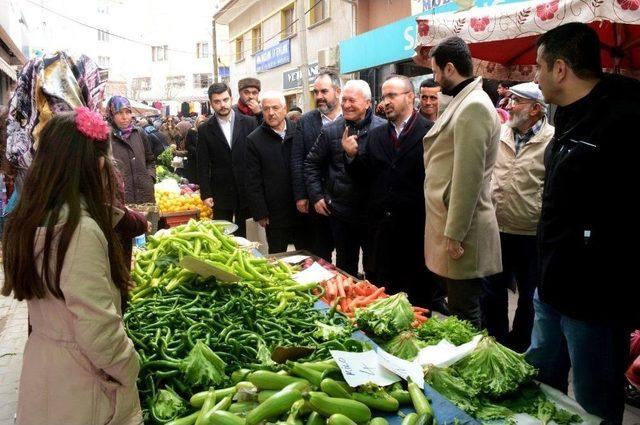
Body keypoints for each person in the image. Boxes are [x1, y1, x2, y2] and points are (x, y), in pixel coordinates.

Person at [525, 22, 640, 422]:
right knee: (540, 379)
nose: (533, 77)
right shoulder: (566, 117)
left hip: (596, 297)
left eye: (538, 66)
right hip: (552, 284)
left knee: (594, 396)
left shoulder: (625, 118)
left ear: (560, 69)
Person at [1, 109, 142, 425]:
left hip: (43, 364)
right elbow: (97, 328)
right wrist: (129, 366)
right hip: (83, 380)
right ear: (91, 164)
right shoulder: (79, 229)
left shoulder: (27, 218)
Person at [423, 37, 502, 329]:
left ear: (450, 68)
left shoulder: (474, 107)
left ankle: (469, 370)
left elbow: (468, 177)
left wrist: (454, 234)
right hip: (454, 226)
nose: (435, 79)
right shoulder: (464, 101)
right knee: (460, 308)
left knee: (464, 314)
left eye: (435, 71)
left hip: (463, 232)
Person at [343, 75, 435, 307]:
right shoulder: (375, 136)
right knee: (382, 304)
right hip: (381, 239)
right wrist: (352, 156)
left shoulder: (431, 133)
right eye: (383, 97)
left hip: (416, 236)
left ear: (410, 97)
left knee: (417, 308)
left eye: (392, 95)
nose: (385, 102)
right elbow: (364, 180)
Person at [482, 82, 554, 352]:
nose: (509, 106)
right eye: (510, 100)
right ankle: (496, 341)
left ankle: (520, 344)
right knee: (492, 291)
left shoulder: (551, 140)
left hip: (531, 233)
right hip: (496, 228)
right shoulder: (500, 133)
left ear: (536, 109)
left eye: (517, 101)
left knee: (528, 295)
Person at [305, 80, 386, 277]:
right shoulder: (332, 130)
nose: (347, 105)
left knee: (375, 267)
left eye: (352, 100)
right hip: (342, 212)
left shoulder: (383, 129)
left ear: (368, 103)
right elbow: (311, 164)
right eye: (344, 100)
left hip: (373, 213)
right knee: (344, 267)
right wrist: (316, 196)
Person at [291, 72, 342, 260]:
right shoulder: (306, 121)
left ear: (337, 91)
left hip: (345, 200)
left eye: (324, 91)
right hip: (316, 198)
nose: (319, 96)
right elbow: (297, 160)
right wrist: (302, 195)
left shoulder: (351, 118)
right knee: (321, 252)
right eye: (316, 92)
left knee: (346, 252)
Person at [198, 83, 257, 237]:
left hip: (246, 190)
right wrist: (205, 193)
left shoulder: (249, 123)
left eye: (225, 100)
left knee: (247, 236)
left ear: (231, 98)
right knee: (221, 236)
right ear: (211, 104)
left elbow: (257, 158)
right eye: (217, 102)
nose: (222, 105)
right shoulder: (205, 129)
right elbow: (202, 164)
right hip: (220, 192)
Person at [245, 91, 300, 253]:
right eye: (266, 109)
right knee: (278, 256)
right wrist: (260, 212)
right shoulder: (254, 140)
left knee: (307, 255)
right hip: (275, 212)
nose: (271, 113)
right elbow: (252, 180)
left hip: (301, 207)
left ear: (285, 109)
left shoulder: (299, 131)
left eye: (275, 108)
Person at [107, 95, 156, 204]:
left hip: (145, 195)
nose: (125, 117)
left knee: (148, 221)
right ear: (111, 115)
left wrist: (150, 178)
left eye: (128, 112)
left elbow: (150, 160)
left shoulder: (139, 133)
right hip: (121, 198)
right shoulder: (106, 137)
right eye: (119, 113)